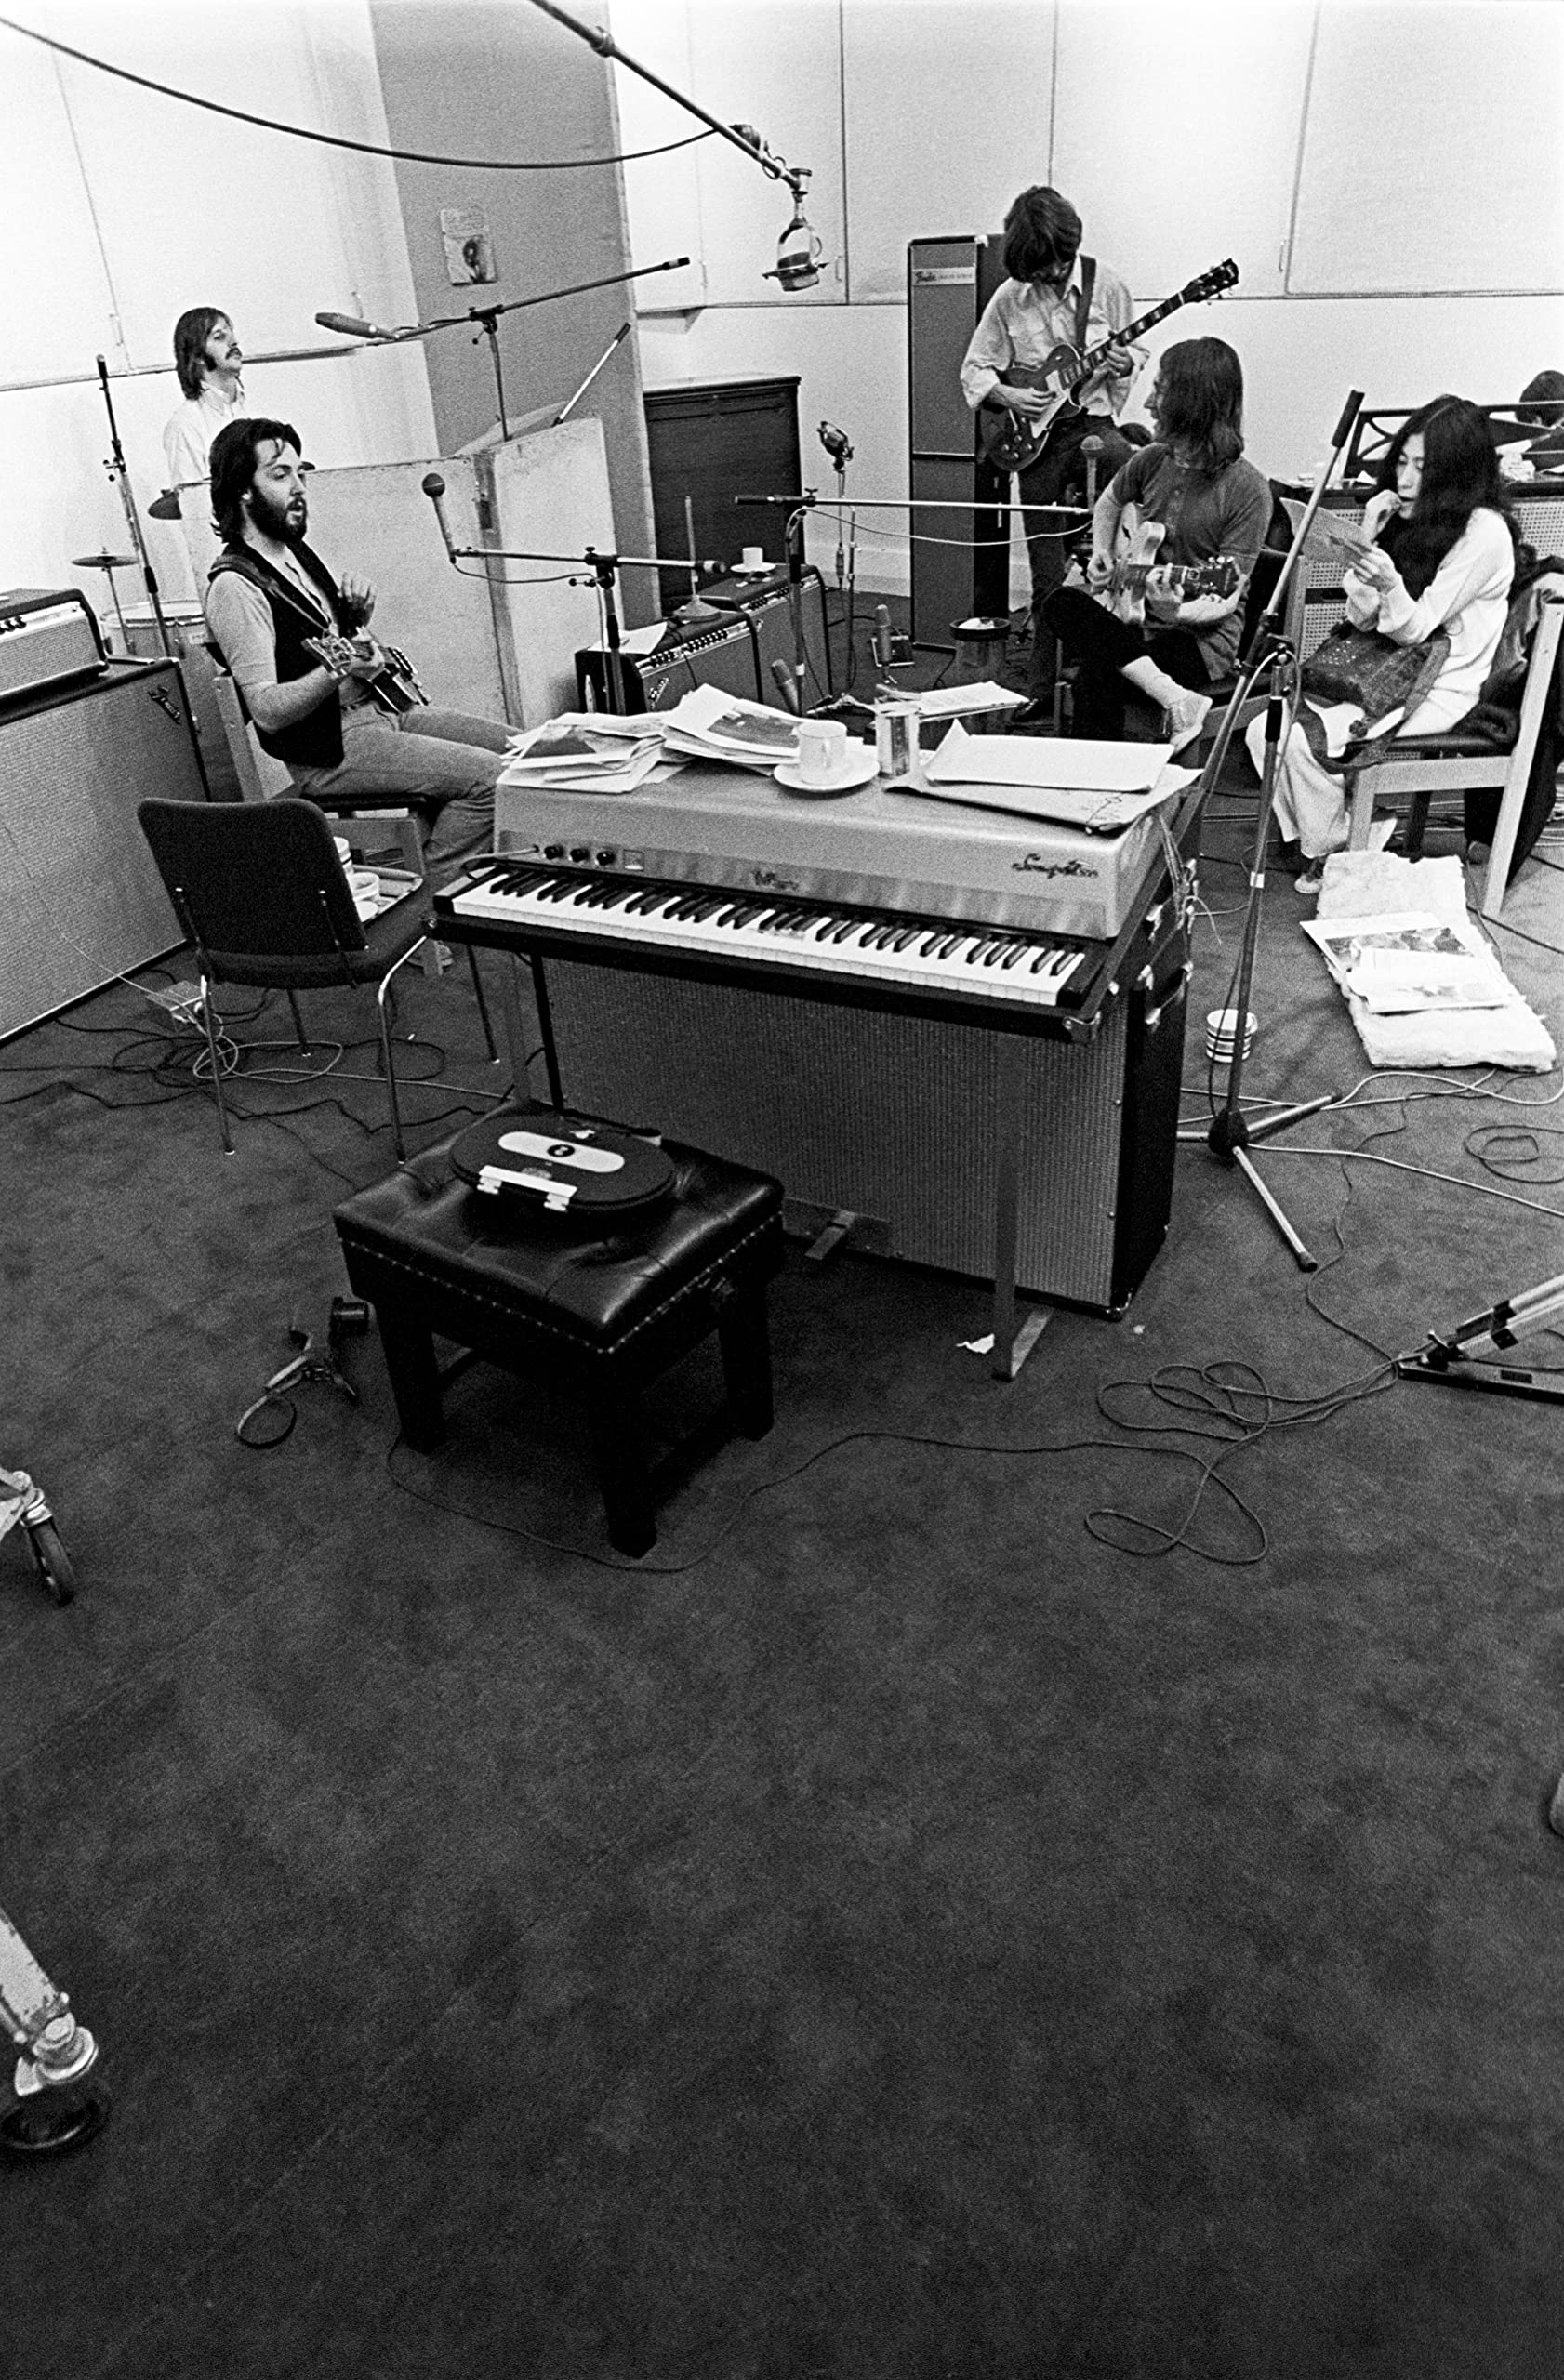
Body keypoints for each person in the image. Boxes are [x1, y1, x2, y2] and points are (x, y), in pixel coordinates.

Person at [203, 416, 507, 879]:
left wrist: (357, 623)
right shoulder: (235, 586)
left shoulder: (293, 553)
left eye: (300, 472)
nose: (299, 487)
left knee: (522, 750)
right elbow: (266, 709)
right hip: (331, 751)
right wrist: (341, 665)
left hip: (384, 710)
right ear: (243, 490)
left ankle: (472, 881)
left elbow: (333, 648)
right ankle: (435, 901)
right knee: (491, 779)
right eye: (280, 475)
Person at [1253, 395, 1518, 892]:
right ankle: (1343, 833)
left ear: (1456, 474)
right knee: (1261, 731)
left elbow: (1417, 627)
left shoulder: (1484, 532)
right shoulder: (1415, 516)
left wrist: (1390, 582)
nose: (1406, 479)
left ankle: (1337, 841)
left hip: (1442, 684)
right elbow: (1360, 617)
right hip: (1389, 667)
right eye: (1402, 462)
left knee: (1298, 741)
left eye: (1423, 467)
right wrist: (1367, 538)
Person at [960, 187, 1144, 724]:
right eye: (1040, 271)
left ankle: (1118, 677)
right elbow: (975, 369)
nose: (1053, 277)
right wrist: (1011, 396)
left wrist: (1124, 363)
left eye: (1060, 265)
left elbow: (1133, 354)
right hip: (1037, 443)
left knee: (1126, 551)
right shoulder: (1009, 299)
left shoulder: (1108, 285)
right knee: (1047, 575)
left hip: (1096, 427)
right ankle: (1041, 687)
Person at [1042, 337, 1272, 752]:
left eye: (1160, 391)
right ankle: (1176, 699)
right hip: (1138, 622)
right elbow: (1109, 502)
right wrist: (1103, 552)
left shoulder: (1248, 489)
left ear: (1192, 402)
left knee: (1098, 674)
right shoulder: (1151, 459)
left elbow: (1224, 597)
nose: (1148, 403)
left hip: (1200, 642)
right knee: (1059, 602)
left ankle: (1096, 784)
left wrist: (1177, 611)